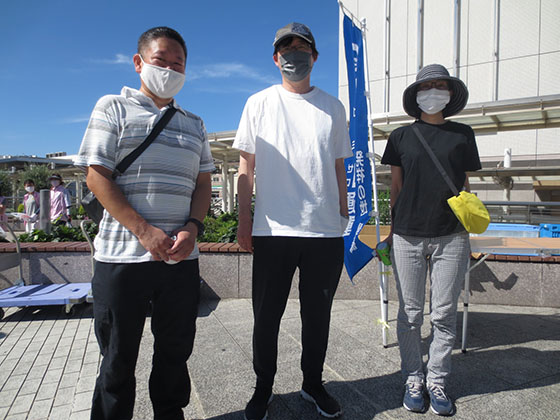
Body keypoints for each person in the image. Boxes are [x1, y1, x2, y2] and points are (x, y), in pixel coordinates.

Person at [74, 26, 214, 420]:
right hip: (121, 258)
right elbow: (96, 175)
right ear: (139, 63)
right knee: (117, 357)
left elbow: (203, 183)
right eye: (161, 61)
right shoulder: (112, 108)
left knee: (174, 353)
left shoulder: (194, 123)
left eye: (178, 64)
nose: (169, 69)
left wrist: (193, 226)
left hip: (180, 260)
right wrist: (144, 231)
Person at [233, 22, 352, 420]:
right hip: (272, 229)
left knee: (317, 316)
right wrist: (244, 219)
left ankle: (313, 384)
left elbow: (338, 166)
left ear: (315, 57)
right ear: (275, 58)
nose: (293, 55)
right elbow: (245, 166)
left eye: (302, 48)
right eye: (286, 49)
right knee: (266, 317)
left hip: (323, 230)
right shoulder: (259, 102)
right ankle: (263, 388)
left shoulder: (333, 107)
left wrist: (344, 212)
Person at [380, 64, 481, 416]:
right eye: (428, 86)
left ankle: (437, 380)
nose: (434, 91)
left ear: (451, 93)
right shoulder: (401, 136)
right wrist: (393, 229)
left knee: (442, 314)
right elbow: (396, 187)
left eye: (441, 85)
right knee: (409, 314)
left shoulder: (463, 134)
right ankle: (413, 378)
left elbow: (465, 186)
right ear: (417, 94)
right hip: (407, 234)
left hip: (452, 234)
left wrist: (468, 229)